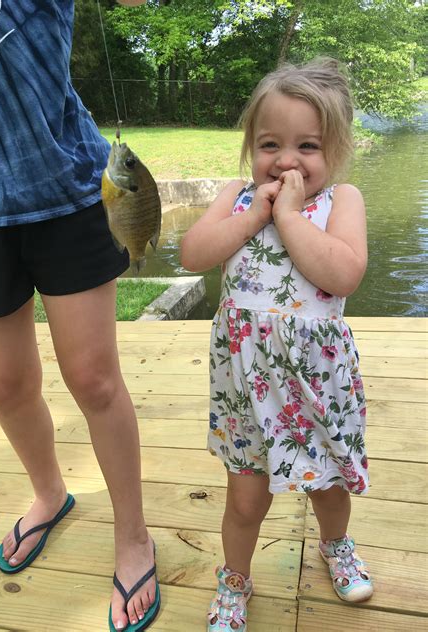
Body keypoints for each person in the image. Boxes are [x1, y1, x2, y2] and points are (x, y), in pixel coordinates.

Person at [0, 1, 159, 631]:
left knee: (95, 381)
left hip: (72, 193)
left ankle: (133, 536)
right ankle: (49, 494)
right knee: (6, 386)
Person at [180, 58, 373, 631]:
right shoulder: (236, 197)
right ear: (250, 148)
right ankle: (235, 579)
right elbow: (194, 254)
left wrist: (288, 216)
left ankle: (335, 545)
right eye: (270, 144)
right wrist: (256, 212)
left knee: (329, 486)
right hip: (246, 385)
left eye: (307, 146)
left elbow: (342, 274)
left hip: (316, 385)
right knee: (245, 497)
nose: (286, 160)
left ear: (335, 151)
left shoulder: (342, 202)